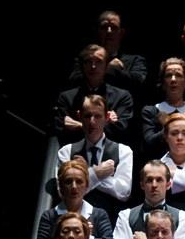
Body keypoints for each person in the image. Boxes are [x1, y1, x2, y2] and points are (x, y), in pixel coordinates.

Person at [57, 93, 133, 226]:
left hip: (110, 222)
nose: (92, 122)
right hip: (73, 223)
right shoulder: (66, 151)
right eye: (87, 116)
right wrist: (96, 173)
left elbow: (123, 192)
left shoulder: (123, 151)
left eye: (97, 116)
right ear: (80, 116)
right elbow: (62, 192)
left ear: (107, 117)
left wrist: (86, 173)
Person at [113, 161, 185, 239]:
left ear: (168, 184)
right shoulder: (125, 216)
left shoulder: (183, 217)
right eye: (149, 180)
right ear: (142, 185)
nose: (154, 185)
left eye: (159, 180)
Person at [54, 44, 133, 145]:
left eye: (99, 62)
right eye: (88, 61)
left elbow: (121, 131)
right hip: (74, 152)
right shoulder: (66, 97)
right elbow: (62, 132)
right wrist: (105, 122)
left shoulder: (122, 97)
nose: (93, 66)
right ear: (82, 66)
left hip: (110, 152)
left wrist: (80, 125)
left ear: (106, 66)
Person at [68, 10, 147, 98]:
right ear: (97, 31)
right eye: (104, 27)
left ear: (121, 33)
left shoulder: (135, 60)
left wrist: (117, 71)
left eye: (114, 27)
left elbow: (139, 85)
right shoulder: (84, 59)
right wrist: (107, 69)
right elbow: (74, 81)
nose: (109, 31)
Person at [142, 58, 185, 158]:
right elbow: (149, 143)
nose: (173, 79)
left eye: (178, 75)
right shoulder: (151, 111)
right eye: (168, 76)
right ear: (163, 84)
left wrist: (168, 123)